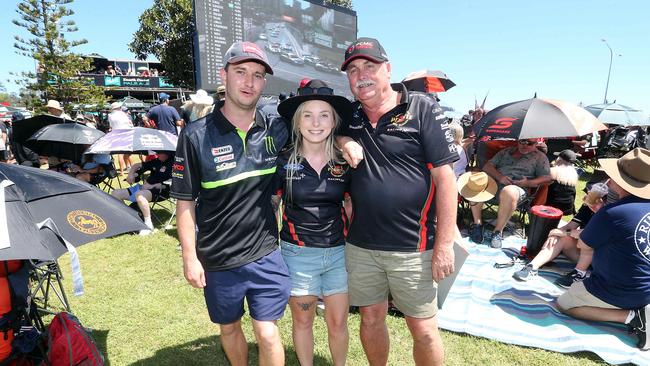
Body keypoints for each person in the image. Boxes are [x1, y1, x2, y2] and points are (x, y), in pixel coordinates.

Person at [338, 37, 458, 365]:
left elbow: (446, 180)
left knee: (424, 329)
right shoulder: (349, 115)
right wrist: (345, 138)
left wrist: (445, 245)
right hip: (361, 245)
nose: (361, 75)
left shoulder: (422, 108)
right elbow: (320, 126)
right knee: (370, 319)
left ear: (387, 69)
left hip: (414, 247)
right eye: (353, 70)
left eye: (370, 66)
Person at [171, 41, 292, 366]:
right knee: (229, 328)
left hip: (265, 253)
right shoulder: (195, 135)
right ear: (224, 76)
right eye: (241, 72)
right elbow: (184, 203)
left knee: (268, 333)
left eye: (257, 75)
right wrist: (189, 259)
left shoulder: (276, 129)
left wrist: (346, 141)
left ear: (264, 82)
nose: (249, 82)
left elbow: (320, 125)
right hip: (218, 259)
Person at [273, 80, 353, 366]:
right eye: (307, 115)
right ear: (297, 121)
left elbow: (351, 203)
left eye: (324, 115)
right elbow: (271, 204)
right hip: (298, 254)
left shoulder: (345, 161)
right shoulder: (283, 161)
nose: (315, 123)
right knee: (303, 321)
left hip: (338, 255)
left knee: (338, 323)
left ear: (334, 122)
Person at [557, 148, 650, 351]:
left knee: (565, 304)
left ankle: (632, 316)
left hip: (620, 289)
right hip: (646, 288)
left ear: (620, 182)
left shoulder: (613, 211)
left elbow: (584, 245)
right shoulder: (624, 210)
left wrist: (592, 221)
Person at [469, 139, 552, 248]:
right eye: (522, 141)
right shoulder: (506, 151)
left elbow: (546, 178)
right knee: (476, 183)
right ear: (518, 141)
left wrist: (528, 182)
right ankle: (477, 224)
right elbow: (487, 166)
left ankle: (497, 232)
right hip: (496, 182)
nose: (524, 145)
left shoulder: (540, 157)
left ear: (536, 143)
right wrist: (500, 177)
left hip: (518, 188)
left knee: (509, 191)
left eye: (529, 143)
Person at [111, 151, 173, 236]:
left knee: (139, 195)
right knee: (115, 193)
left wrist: (154, 186)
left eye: (161, 153)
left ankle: (148, 225)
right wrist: (131, 174)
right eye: (157, 152)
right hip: (144, 188)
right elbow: (136, 165)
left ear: (168, 153)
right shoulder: (156, 161)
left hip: (161, 191)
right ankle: (130, 219)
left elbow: (174, 183)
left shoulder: (174, 164)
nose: (158, 154)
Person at [545, 149, 579, 215]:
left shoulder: (553, 171)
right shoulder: (574, 174)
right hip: (567, 207)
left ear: (559, 159)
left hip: (551, 205)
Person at [107, 102, 134, 177]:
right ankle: (132, 169)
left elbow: (111, 126)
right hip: (126, 134)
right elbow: (130, 124)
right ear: (119, 107)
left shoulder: (110, 115)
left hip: (117, 135)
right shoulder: (123, 114)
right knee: (128, 154)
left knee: (120, 154)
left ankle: (122, 171)